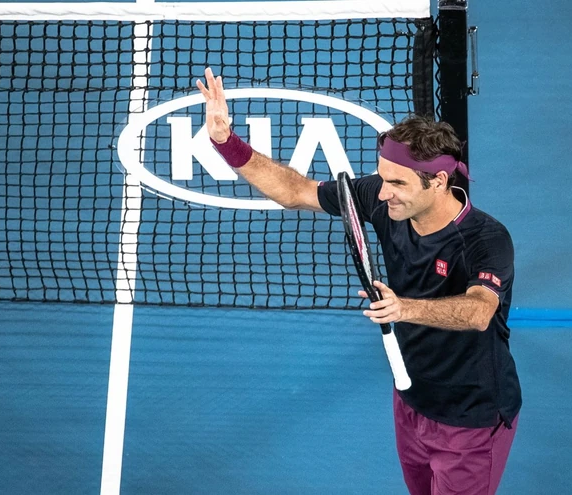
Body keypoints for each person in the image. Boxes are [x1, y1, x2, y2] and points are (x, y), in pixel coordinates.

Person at [196, 67, 521, 495]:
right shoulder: (382, 199)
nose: (382, 193)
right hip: (410, 397)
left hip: (470, 419)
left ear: (439, 181)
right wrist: (226, 142)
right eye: (382, 178)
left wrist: (404, 308)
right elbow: (296, 191)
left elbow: (480, 311)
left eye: (397, 183)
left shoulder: (486, 240)